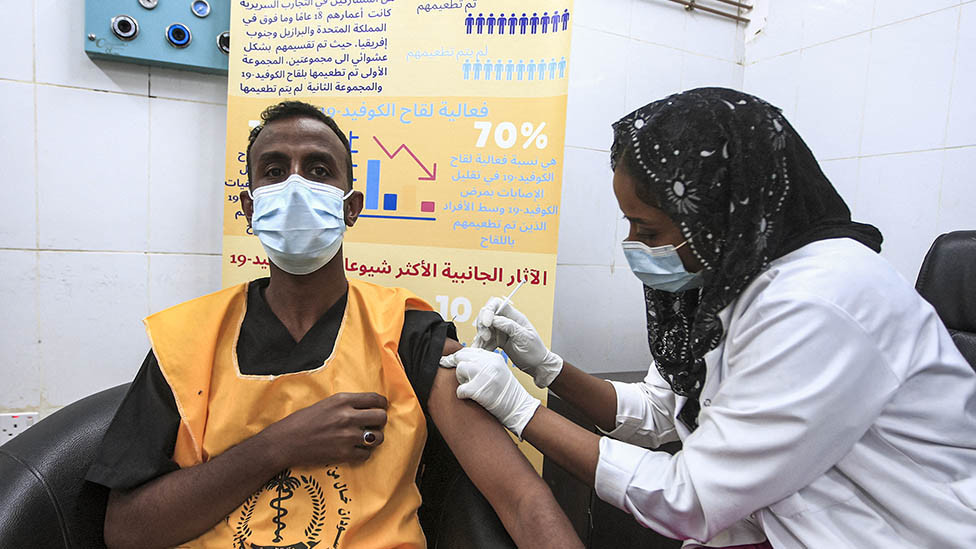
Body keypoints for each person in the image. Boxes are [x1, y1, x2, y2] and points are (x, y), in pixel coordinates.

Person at [440, 88, 976, 548]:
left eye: (647, 231)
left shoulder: (819, 301)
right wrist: (548, 369)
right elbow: (658, 410)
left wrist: (519, 412)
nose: (631, 246)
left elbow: (688, 497)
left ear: (717, 214)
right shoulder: (728, 281)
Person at [86, 101, 582, 549]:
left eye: (319, 169)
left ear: (351, 208)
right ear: (250, 208)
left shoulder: (407, 333)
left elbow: (521, 499)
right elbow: (127, 530)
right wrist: (280, 444)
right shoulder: (187, 342)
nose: (297, 186)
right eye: (275, 170)